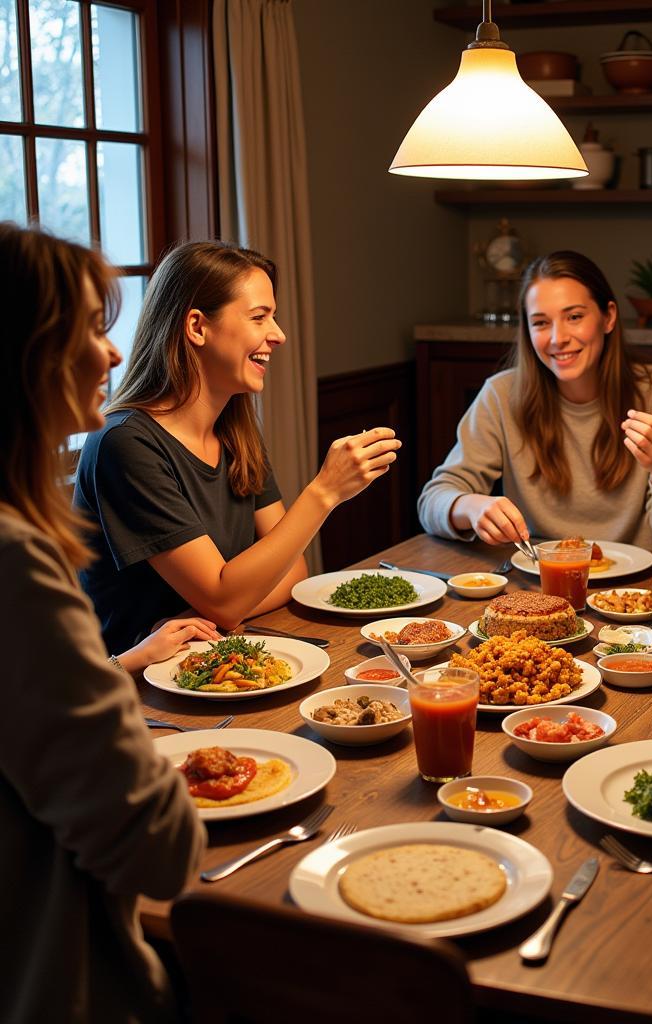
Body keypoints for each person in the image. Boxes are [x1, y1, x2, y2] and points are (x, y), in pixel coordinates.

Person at [0, 222, 208, 1021]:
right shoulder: (16, 561)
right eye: (91, 328)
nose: (113, 354)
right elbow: (156, 848)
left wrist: (114, 669)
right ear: (27, 355)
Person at [75, 240, 402, 653]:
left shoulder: (235, 430)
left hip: (216, 661)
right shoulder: (125, 443)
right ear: (196, 327)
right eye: (259, 317)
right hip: (136, 695)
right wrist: (325, 491)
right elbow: (227, 600)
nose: (279, 335)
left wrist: (216, 609)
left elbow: (292, 571)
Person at [418, 250, 652, 550]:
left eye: (574, 317)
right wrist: (470, 506)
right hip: (535, 584)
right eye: (541, 323)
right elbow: (432, 502)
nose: (558, 338)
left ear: (608, 317)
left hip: (640, 590)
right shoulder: (500, 395)